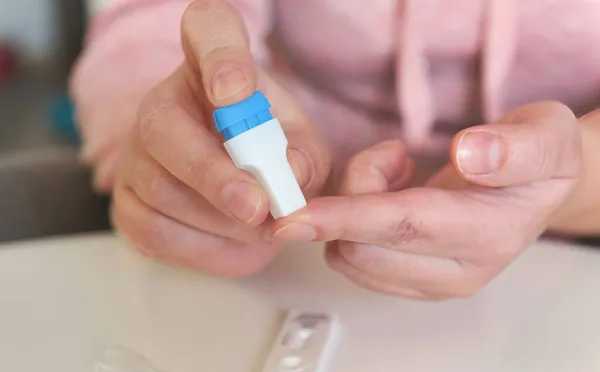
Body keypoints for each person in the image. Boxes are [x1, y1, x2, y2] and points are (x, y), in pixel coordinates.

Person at [70, 0, 600, 299]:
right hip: (277, 267)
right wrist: (166, 146)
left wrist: (575, 176)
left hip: (567, 278)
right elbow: (154, 24)